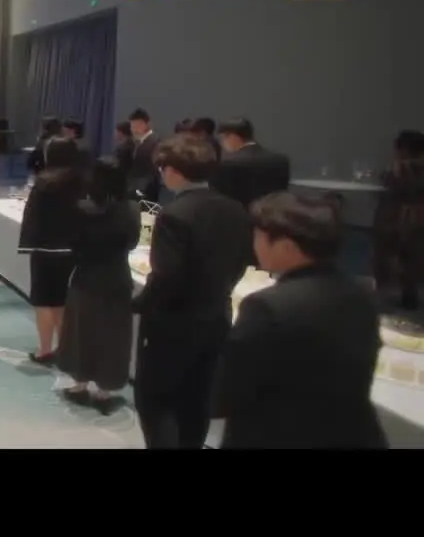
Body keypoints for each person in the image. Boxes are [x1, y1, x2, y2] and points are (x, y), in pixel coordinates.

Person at [209, 192, 386, 449]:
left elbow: (227, 393)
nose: (253, 244)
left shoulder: (267, 307)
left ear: (286, 246)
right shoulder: (362, 296)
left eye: (258, 236)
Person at [133, 134, 252, 449]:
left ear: (173, 170)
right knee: (197, 402)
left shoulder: (174, 214)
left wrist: (139, 303)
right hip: (216, 316)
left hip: (172, 325)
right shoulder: (235, 209)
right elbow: (241, 262)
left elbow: (166, 277)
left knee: (157, 403)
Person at [58, 159, 140, 414]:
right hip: (117, 277)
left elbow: (73, 243)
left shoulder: (81, 209)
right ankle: (105, 390)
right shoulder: (132, 209)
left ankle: (80, 384)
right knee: (113, 335)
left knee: (81, 332)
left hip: (86, 277)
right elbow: (133, 243)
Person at [18, 137, 84, 365]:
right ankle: (65, 350)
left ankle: (45, 349)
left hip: (44, 249)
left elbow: (32, 216)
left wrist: (27, 243)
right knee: (62, 300)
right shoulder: (81, 180)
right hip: (71, 249)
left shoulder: (43, 182)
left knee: (44, 301)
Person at [373, 129, 424, 311]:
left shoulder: (403, 168)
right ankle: (408, 293)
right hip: (415, 220)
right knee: (412, 256)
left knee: (387, 253)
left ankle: (385, 292)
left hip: (398, 219)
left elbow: (396, 186)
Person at [212, 117, 292, 212]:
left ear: (233, 137)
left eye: (222, 139)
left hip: (241, 217)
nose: (222, 143)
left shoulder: (226, 164)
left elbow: (222, 201)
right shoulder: (280, 160)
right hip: (274, 216)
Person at [126, 108, 161, 202]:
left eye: (138, 125)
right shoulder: (135, 142)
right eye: (132, 126)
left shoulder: (155, 142)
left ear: (147, 124)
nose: (134, 130)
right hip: (136, 189)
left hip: (146, 191)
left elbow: (155, 169)